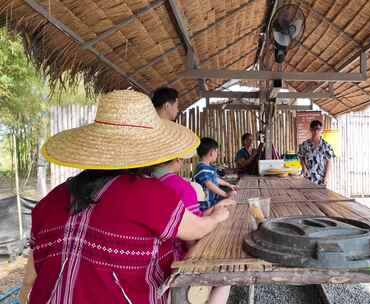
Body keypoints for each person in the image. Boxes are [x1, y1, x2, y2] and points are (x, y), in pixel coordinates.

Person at [19, 90, 230, 303]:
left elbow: (29, 281)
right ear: (151, 152)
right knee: (221, 283)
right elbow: (199, 229)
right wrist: (216, 217)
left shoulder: (52, 198)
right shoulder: (151, 195)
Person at [152, 159, 233, 303]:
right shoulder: (180, 186)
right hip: (171, 262)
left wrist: (215, 210)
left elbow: (190, 219)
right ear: (177, 159)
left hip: (150, 259)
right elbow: (192, 238)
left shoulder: (147, 182)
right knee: (227, 273)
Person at [193, 137, 239, 211]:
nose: (217, 154)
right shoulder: (202, 168)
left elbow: (216, 179)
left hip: (212, 202)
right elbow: (209, 184)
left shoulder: (208, 167)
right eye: (216, 151)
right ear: (211, 152)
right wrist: (225, 194)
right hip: (205, 206)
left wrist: (229, 185)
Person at [298, 120, 335, 186]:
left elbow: (329, 162)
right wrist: (304, 168)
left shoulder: (326, 146)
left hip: (321, 178)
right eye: (313, 129)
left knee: (321, 196)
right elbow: (301, 157)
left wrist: (326, 177)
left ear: (321, 130)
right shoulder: (304, 144)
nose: (316, 131)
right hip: (308, 177)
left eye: (318, 129)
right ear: (310, 130)